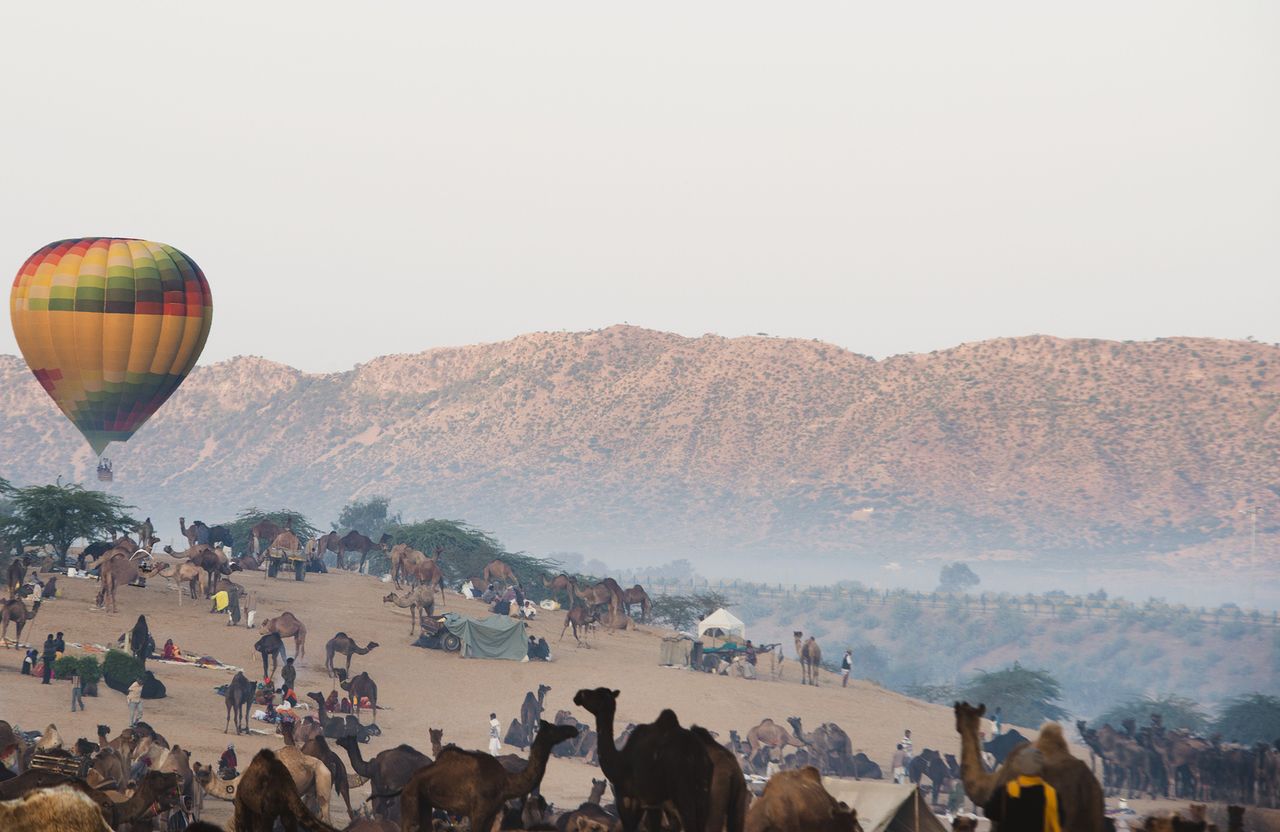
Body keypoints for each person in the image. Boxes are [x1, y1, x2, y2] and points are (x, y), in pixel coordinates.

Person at [981, 746, 1061, 832]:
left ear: (1020, 765)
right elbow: (1060, 822)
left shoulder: (1005, 792)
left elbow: (989, 812)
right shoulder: (1051, 795)